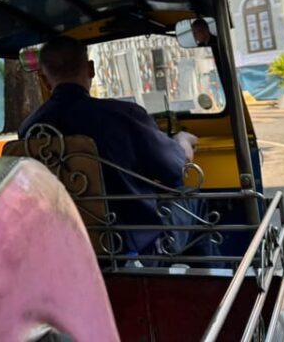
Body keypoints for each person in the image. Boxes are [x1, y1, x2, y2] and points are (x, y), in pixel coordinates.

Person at [19, 36, 204, 258]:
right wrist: (182, 140)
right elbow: (176, 170)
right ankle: (216, 284)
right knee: (192, 196)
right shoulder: (124, 115)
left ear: (45, 81)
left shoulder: (29, 131)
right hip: (136, 249)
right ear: (90, 69)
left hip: (68, 249)